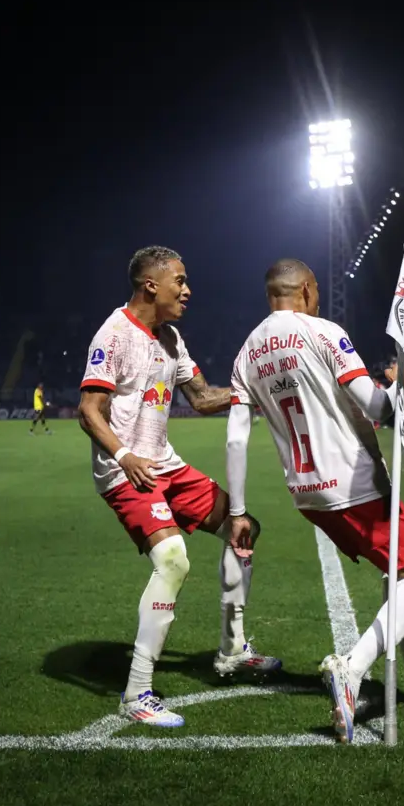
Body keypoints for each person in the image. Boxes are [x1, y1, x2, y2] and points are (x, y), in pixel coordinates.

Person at [226, 258, 404, 745]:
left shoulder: (247, 353)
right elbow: (377, 406)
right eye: (317, 290)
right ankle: (353, 667)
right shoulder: (324, 332)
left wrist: (237, 510)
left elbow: (237, 440)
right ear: (305, 289)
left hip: (308, 495)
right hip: (355, 484)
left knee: (397, 576)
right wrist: (402, 381)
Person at [77, 245, 281, 729]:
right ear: (151, 285)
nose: (187, 291)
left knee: (243, 526)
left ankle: (232, 652)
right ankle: (137, 692)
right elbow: (89, 411)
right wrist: (125, 457)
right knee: (173, 561)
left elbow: (204, 397)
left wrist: (252, 391)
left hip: (165, 465)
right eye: (180, 281)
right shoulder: (115, 333)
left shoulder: (170, 338)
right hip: (126, 469)